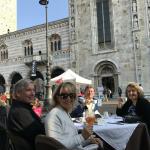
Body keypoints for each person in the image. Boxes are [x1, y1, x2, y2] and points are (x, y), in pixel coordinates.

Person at [44, 82, 103, 150]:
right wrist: (82, 137)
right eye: (64, 96)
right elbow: (56, 146)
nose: (68, 99)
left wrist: (88, 141)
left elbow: (72, 141)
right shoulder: (54, 116)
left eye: (72, 96)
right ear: (57, 97)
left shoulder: (64, 112)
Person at [7, 79, 45, 150]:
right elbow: (40, 134)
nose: (33, 93)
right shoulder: (19, 111)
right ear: (18, 93)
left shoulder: (22, 108)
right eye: (28, 90)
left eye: (33, 90)